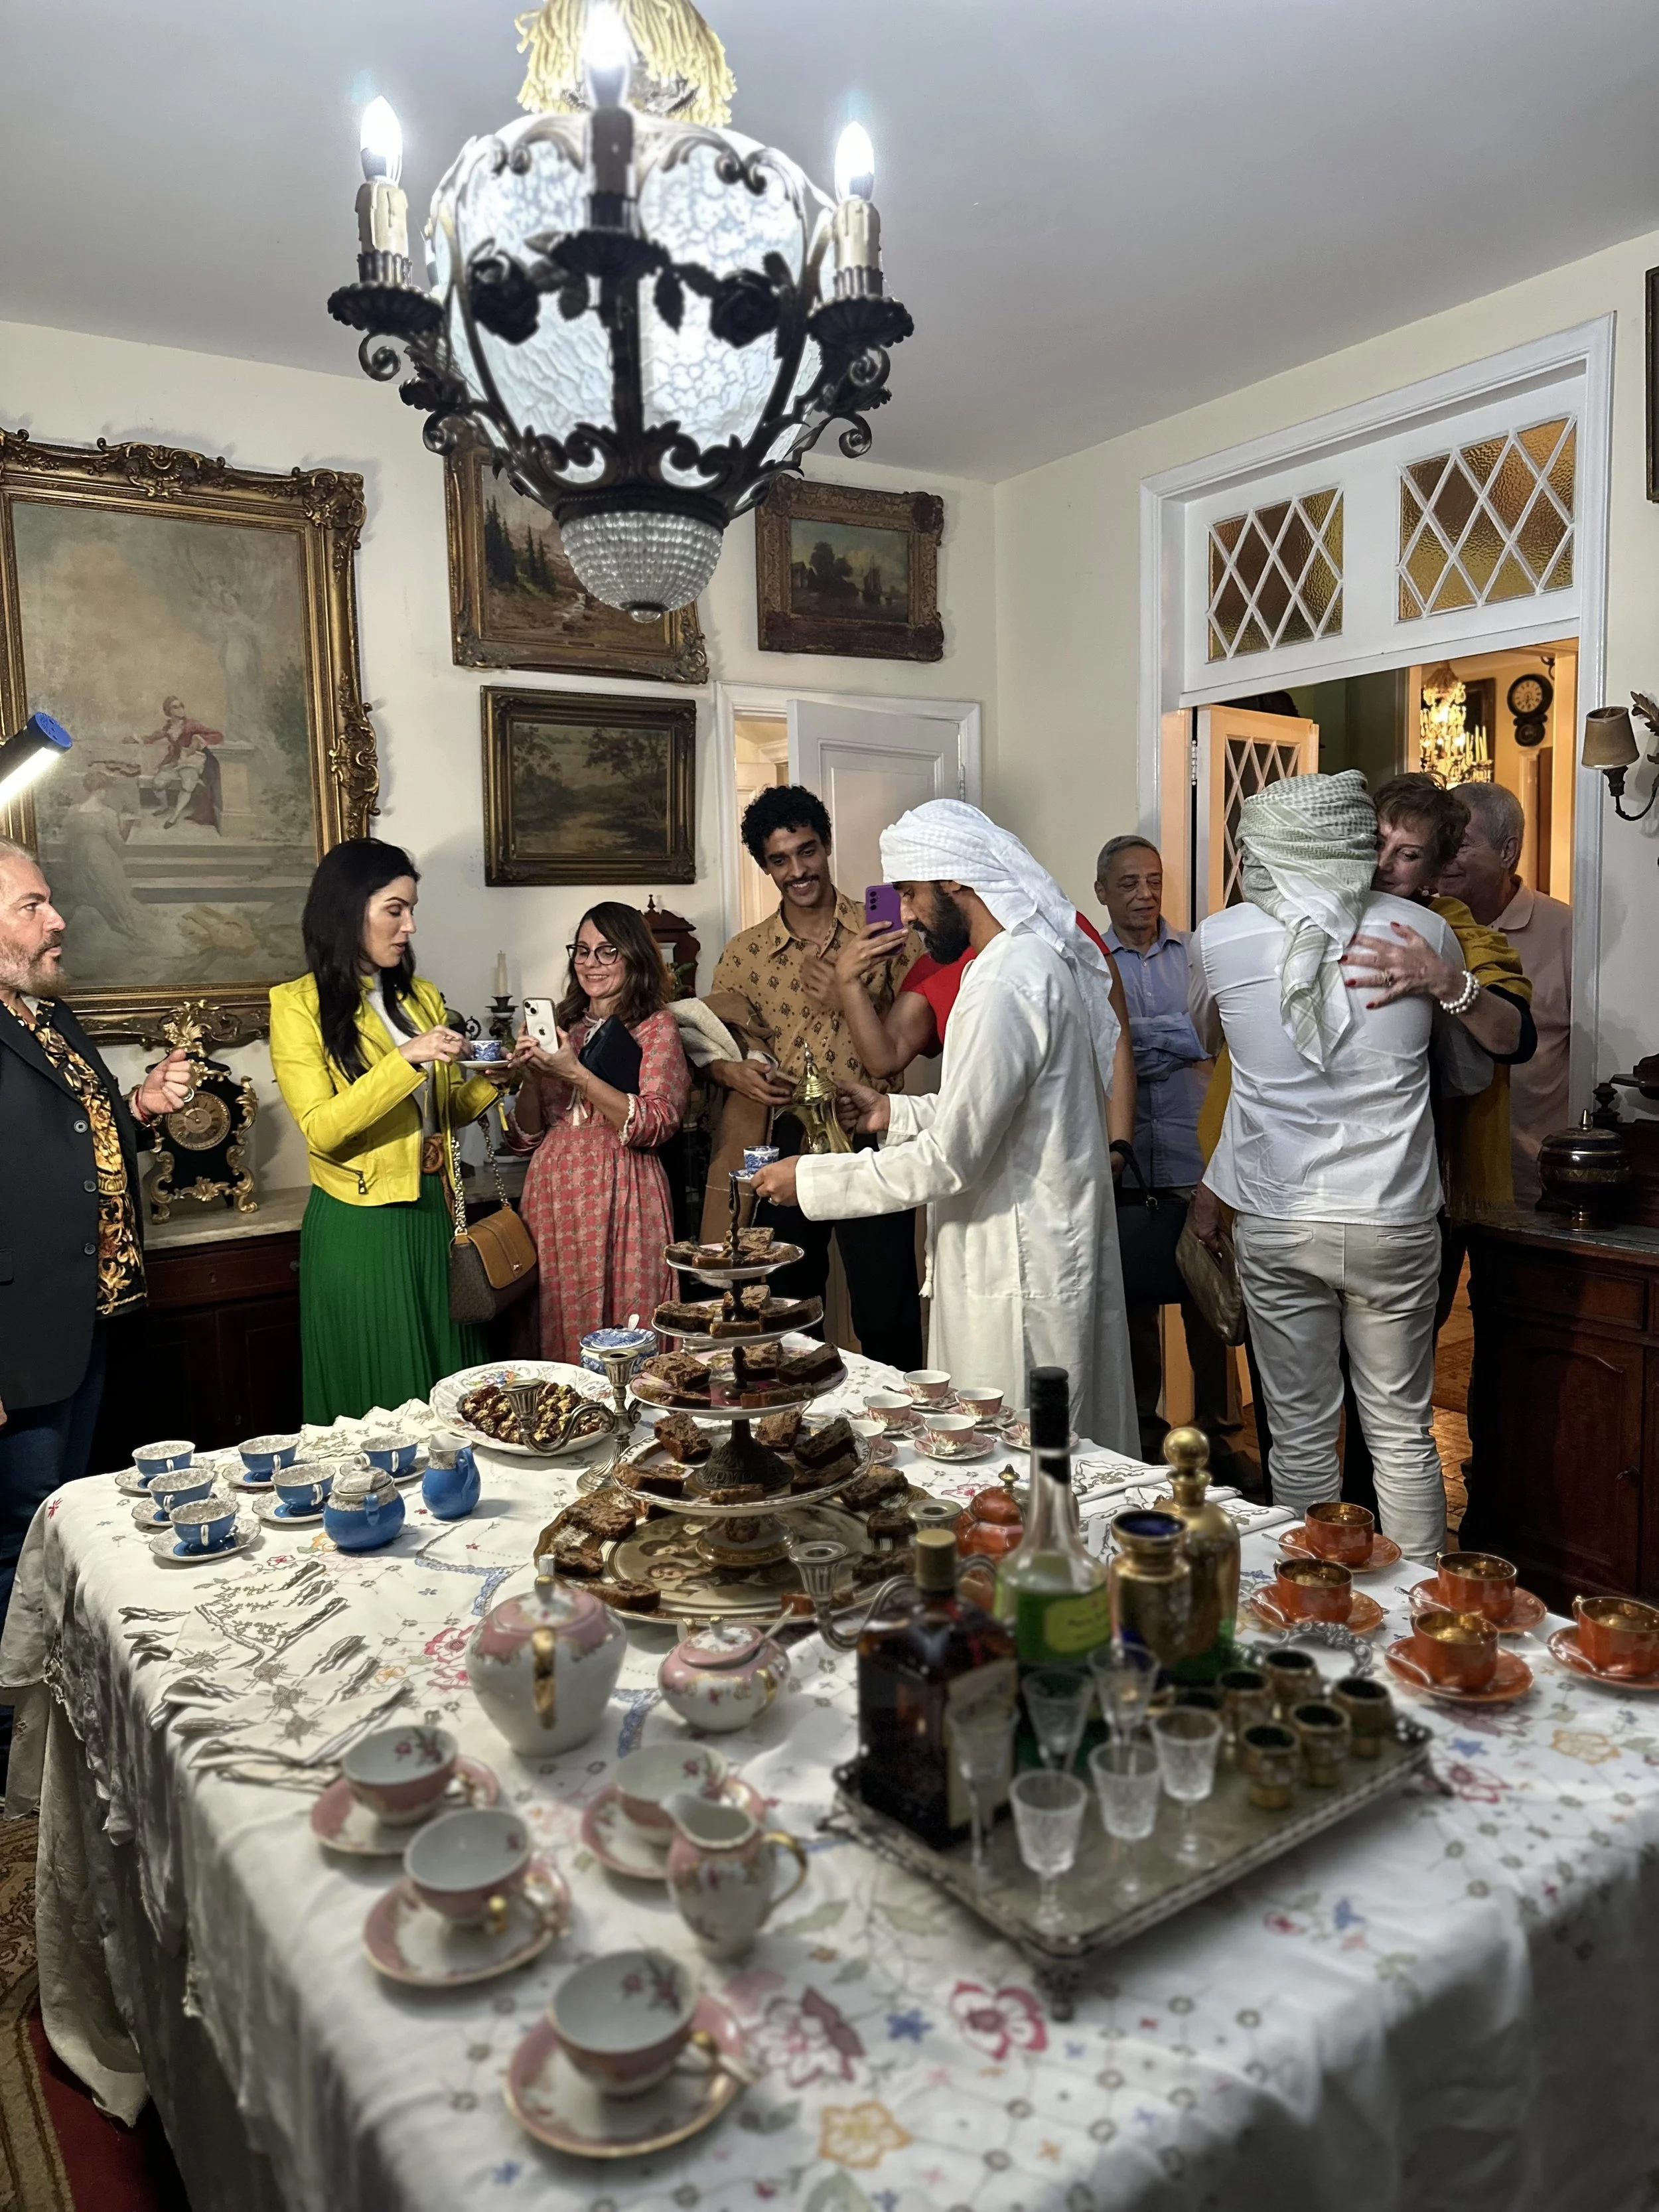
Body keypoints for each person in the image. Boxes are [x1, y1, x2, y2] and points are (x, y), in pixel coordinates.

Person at [751, 801, 1137, 1451]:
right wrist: (893, 1112)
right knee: (1033, 1456)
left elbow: (951, 1156)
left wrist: (811, 1181)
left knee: (1016, 1458)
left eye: (909, 892)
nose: (903, 914)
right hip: (1021, 1249)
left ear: (954, 878)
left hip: (1017, 1269)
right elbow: (993, 1110)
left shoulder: (1007, 980)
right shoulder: (1017, 962)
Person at [1187, 773, 1475, 1560]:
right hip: (1393, 1214)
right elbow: (1457, 1066)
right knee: (1401, 1431)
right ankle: (1422, 1605)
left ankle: (1313, 1600)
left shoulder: (1218, 937)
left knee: (1299, 1435)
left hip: (1277, 1215)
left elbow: (1205, 1036)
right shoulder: (1425, 933)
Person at [0, 838, 192, 1623]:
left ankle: (65, 1686)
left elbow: (81, 1138)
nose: (58, 920)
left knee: (70, 1524)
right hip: (17, 1339)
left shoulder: (51, 1016)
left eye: (50, 901)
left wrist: (141, 1105)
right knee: (20, 1541)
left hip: (92, 1316)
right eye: (32, 906)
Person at [269, 840, 508, 1423]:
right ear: (349, 909)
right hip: (362, 1225)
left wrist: (498, 1079)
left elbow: (442, 1114)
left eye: (412, 910)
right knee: (382, 1401)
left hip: (435, 1212)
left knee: (449, 1397)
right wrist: (404, 1059)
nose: (410, 926)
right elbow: (323, 1129)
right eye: (395, 910)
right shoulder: (296, 1005)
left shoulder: (422, 998)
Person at [709, 786, 924, 1371]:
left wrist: (848, 997)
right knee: (786, 1304)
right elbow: (710, 1048)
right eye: (780, 860)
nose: (798, 870)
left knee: (886, 1308)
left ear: (826, 845)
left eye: (806, 851)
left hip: (869, 1132)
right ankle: (799, 1416)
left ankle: (900, 1417)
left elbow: (919, 1033)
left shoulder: (885, 932)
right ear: (766, 866)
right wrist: (735, 1073)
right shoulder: (744, 954)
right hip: (783, 1142)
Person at [1093, 833, 1246, 1471]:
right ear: (1102, 891)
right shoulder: (1090, 962)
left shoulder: (1198, 953)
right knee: (1132, 1307)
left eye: (1153, 880)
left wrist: (1135, 1042)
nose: (1145, 893)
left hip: (1194, 1160)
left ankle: (1221, 1434)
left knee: (1208, 1301)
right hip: (1125, 1160)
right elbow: (1103, 1048)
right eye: (1129, 883)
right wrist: (1166, 1041)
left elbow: (1212, 1036)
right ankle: (1144, 1439)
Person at [829, 887, 1139, 1160]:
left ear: (950, 884)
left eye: (910, 893)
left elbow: (1113, 1039)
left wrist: (1119, 1145)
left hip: (1067, 1153)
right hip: (983, 1166)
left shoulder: (1058, 932)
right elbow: (887, 1060)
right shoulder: (933, 967)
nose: (906, 915)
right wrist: (848, 981)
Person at [508, 903, 690, 1363]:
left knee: (630, 1327)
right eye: (583, 951)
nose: (592, 963)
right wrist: (531, 1077)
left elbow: (658, 1121)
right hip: (553, 1193)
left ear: (634, 956)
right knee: (557, 1316)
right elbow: (525, 1138)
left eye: (608, 951)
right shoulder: (563, 1028)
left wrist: (575, 1073)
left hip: (626, 1187)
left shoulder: (657, 1027)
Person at [1439, 782, 1571, 1206]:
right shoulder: (1422, 924)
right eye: (1440, 841)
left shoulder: (1568, 932)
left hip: (1532, 1184)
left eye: (1460, 844)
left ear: (1507, 852)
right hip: (1435, 1178)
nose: (1444, 857)